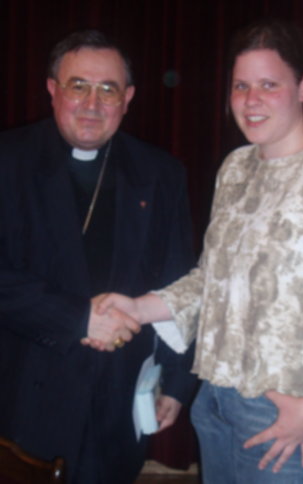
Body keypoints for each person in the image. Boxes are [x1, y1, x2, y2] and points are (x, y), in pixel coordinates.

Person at [92, 19, 303, 484]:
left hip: (288, 414)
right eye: (241, 86)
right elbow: (212, 280)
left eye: (268, 85)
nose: (251, 100)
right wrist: (137, 307)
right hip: (216, 400)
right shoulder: (236, 168)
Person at [0, 30, 197, 484]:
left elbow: (181, 282)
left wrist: (176, 381)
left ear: (127, 98)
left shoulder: (161, 174)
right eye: (78, 86)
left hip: (118, 395)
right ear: (52, 89)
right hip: (22, 394)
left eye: (108, 89)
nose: (92, 104)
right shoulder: (7, 161)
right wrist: (77, 318)